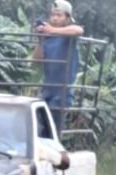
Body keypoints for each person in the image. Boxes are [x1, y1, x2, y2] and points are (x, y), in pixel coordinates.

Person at [35, 2, 84, 134]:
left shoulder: (69, 36)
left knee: (53, 130)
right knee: (39, 129)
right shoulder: (48, 38)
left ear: (67, 18)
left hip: (62, 91)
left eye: (59, 15)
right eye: (53, 15)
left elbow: (79, 30)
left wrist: (52, 30)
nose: (55, 18)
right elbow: (37, 61)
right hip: (46, 90)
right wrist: (40, 40)